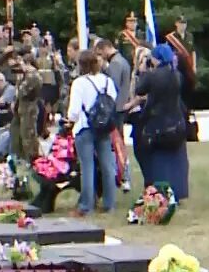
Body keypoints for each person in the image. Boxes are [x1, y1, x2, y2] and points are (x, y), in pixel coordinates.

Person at [131, 44, 190, 201]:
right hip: (176, 122)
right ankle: (179, 191)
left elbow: (139, 90)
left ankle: (160, 192)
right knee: (176, 161)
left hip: (158, 124)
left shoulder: (153, 76)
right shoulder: (176, 75)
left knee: (159, 162)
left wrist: (143, 70)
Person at [68, 48, 118, 217]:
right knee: (107, 166)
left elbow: (73, 112)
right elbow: (113, 102)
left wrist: (70, 119)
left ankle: (86, 205)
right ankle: (109, 203)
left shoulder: (79, 83)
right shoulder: (107, 81)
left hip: (85, 126)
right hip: (103, 126)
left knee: (87, 167)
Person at [96, 38, 134, 192]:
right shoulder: (122, 61)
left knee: (117, 145)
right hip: (120, 107)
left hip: (116, 109)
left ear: (106, 48)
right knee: (119, 144)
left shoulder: (116, 64)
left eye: (100, 53)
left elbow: (112, 86)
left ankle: (124, 176)